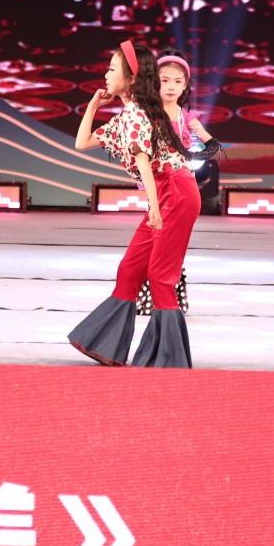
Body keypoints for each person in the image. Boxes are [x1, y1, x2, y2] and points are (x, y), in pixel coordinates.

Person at [67, 40, 201, 367]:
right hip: (163, 192)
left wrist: (153, 206)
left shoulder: (139, 112)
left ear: (130, 79)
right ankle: (108, 345)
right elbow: (82, 142)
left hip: (176, 191)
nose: (106, 74)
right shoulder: (126, 115)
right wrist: (93, 106)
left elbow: (143, 161)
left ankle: (167, 357)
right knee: (129, 270)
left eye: (112, 69)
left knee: (160, 275)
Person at [136, 49, 222, 316]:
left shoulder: (187, 118)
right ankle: (150, 298)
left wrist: (188, 156)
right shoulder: (144, 114)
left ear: (185, 86)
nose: (171, 87)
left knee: (169, 243)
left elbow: (213, 144)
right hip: (157, 184)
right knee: (155, 240)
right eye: (164, 80)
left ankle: (167, 299)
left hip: (180, 186)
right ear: (154, 82)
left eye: (177, 81)